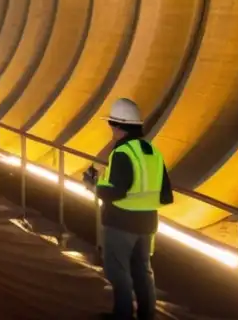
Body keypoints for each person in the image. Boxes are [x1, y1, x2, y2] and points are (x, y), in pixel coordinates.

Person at [84, 99, 173, 320]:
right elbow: (165, 192)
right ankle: (146, 315)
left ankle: (122, 315)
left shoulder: (122, 152)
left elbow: (116, 190)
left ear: (117, 125)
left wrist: (93, 185)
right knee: (143, 272)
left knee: (118, 272)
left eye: (111, 125)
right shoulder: (151, 150)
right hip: (147, 223)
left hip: (121, 222)